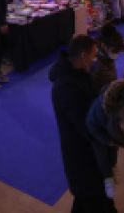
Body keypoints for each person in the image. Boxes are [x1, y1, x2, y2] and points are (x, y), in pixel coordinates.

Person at [50, 36, 115, 213]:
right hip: (81, 154)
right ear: (83, 55)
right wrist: (109, 137)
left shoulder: (80, 74)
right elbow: (85, 125)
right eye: (93, 56)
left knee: (91, 200)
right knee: (92, 198)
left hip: (88, 153)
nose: (94, 60)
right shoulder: (66, 87)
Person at [85, 78, 124, 212]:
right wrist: (107, 140)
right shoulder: (101, 109)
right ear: (118, 117)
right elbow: (92, 126)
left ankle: (113, 166)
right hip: (98, 131)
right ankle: (107, 178)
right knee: (102, 154)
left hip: (113, 133)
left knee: (114, 150)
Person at [91, 21, 124, 92]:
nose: (117, 55)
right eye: (114, 51)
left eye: (118, 52)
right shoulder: (96, 64)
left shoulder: (106, 55)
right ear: (104, 46)